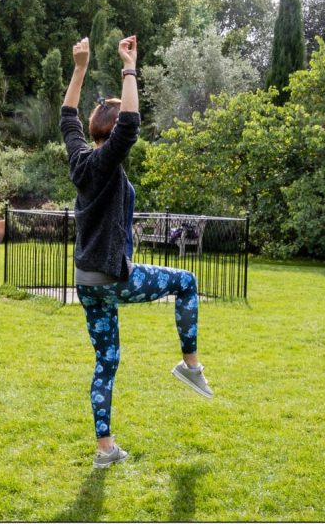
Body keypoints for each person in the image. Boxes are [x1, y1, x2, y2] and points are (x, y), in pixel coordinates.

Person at [60, 35, 213, 469]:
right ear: (111, 136)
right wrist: (129, 66)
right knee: (186, 282)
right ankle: (190, 365)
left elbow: (67, 116)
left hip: (87, 281)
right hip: (112, 275)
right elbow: (130, 124)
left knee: (107, 361)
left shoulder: (79, 159)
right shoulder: (106, 163)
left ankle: (105, 449)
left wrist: (80, 68)